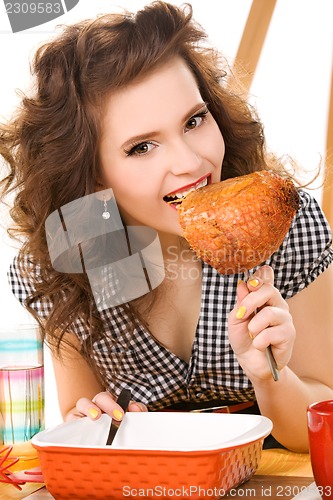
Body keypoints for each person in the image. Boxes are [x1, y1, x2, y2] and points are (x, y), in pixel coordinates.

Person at [1, 0, 333, 453]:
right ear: (93, 173)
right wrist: (91, 422)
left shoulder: (282, 225)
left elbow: (322, 428)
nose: (191, 162)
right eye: (142, 147)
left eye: (194, 121)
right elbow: (87, 423)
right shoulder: (72, 258)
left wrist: (269, 375)